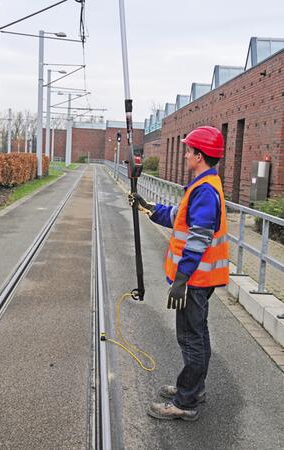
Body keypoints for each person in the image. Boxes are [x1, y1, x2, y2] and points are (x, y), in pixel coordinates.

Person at [129, 126, 229, 422]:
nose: (185, 154)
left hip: (195, 281)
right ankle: (193, 388)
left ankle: (185, 402)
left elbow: (198, 239)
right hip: (198, 279)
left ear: (198, 155)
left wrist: (182, 281)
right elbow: (179, 217)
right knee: (198, 336)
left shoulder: (205, 191)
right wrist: (149, 208)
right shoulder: (203, 185)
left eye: (188, 150)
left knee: (191, 339)